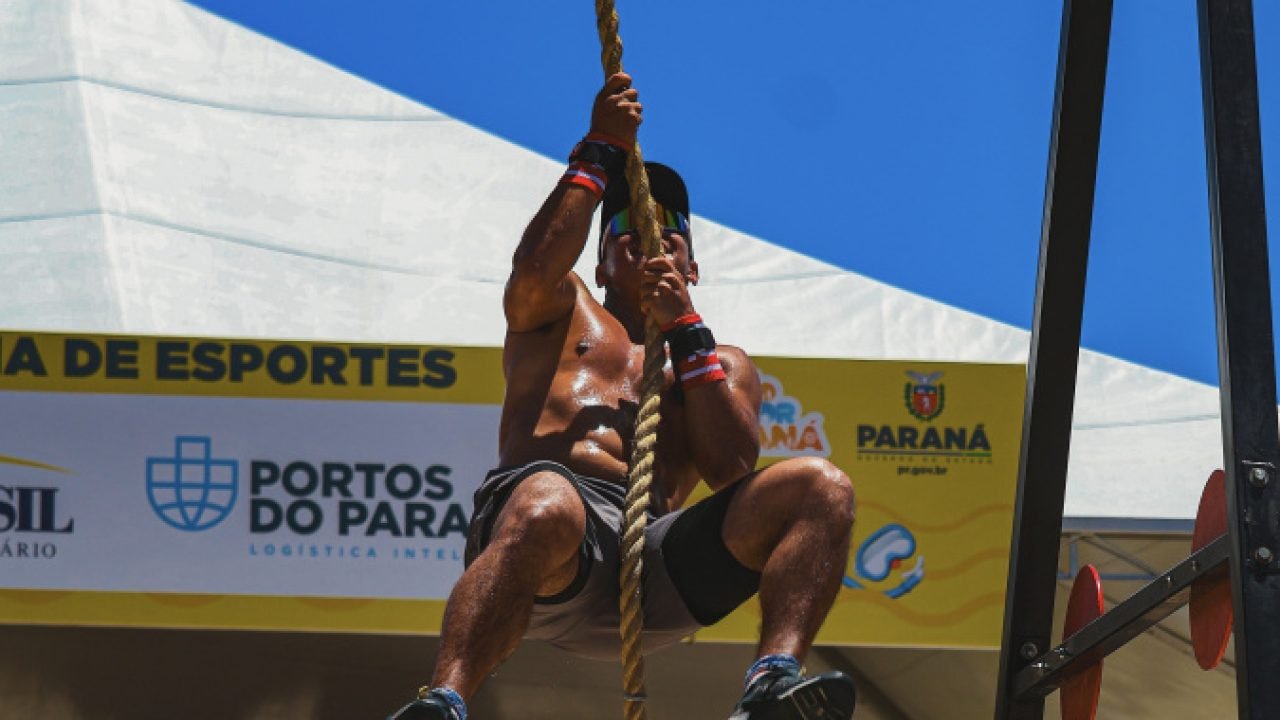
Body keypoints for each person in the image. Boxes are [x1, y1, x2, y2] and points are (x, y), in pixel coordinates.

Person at [388, 72, 857, 720]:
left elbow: (728, 470)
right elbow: (530, 272)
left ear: (691, 268)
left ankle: (772, 684)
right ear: (602, 262)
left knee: (822, 486)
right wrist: (601, 150)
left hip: (653, 570)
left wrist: (687, 329)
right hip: (548, 543)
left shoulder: (717, 361)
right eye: (628, 230)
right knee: (549, 502)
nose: (649, 233)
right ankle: (443, 704)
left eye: (670, 234)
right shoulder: (564, 310)